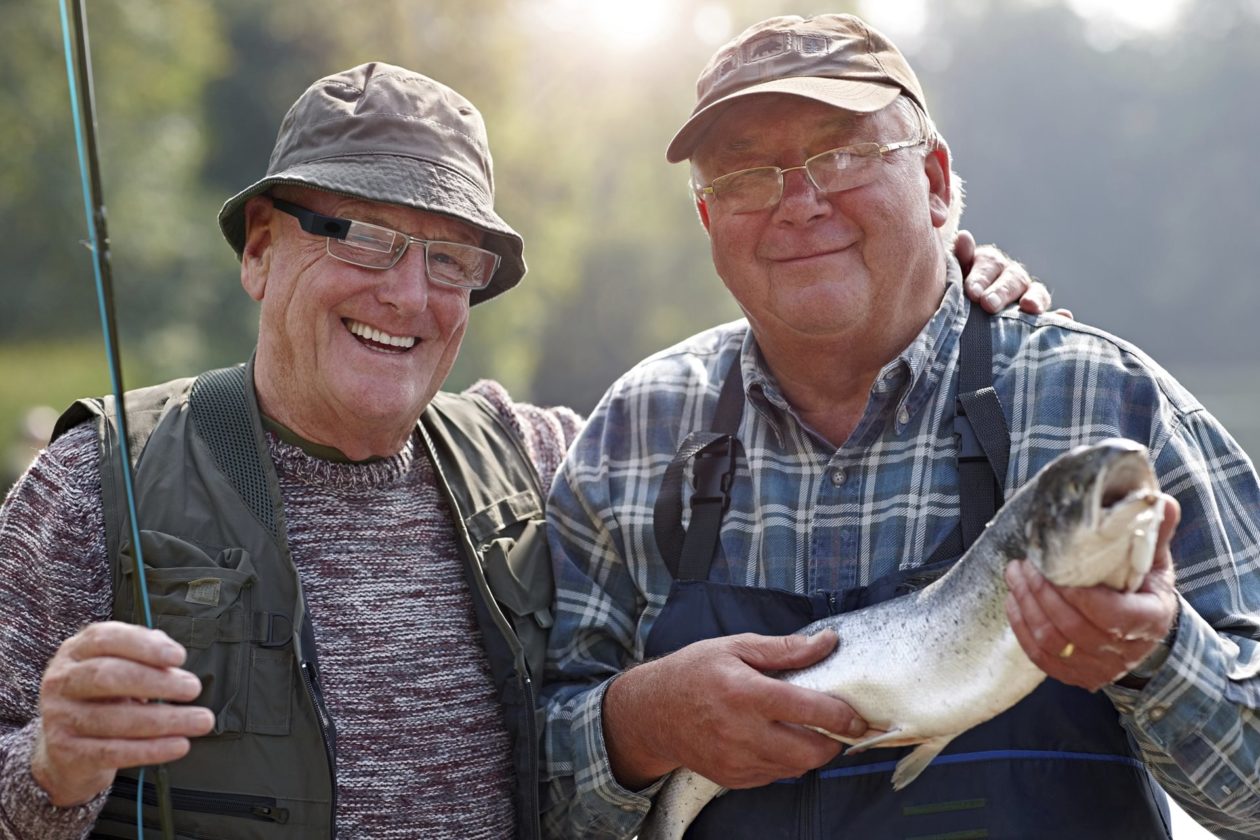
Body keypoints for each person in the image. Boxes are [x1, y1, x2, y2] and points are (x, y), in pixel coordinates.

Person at [0, 62, 1038, 839]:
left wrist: (936, 285)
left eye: (449, 258)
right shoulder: (93, 487)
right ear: (262, 249)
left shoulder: (545, 457)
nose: (406, 294)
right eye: (359, 234)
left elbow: (800, 449)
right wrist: (49, 771)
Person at [540, 13, 1260, 840]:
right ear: (709, 220)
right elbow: (516, 792)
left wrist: (1158, 655)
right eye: (744, 173)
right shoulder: (634, 434)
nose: (799, 202)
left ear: (938, 180)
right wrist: (639, 728)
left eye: (843, 153)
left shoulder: (1107, 406)